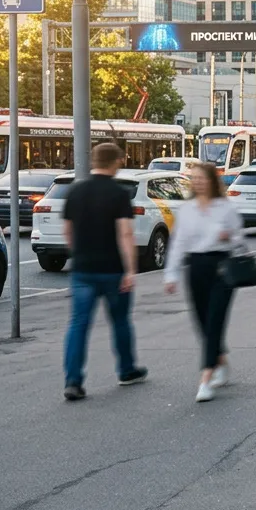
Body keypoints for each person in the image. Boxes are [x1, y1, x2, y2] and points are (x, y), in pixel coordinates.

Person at [62, 143, 147, 401]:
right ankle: (126, 370)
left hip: (82, 270)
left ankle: (73, 381)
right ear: (116, 162)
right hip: (113, 271)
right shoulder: (119, 194)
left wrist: (78, 254)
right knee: (120, 321)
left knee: (78, 324)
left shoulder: (75, 192)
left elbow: (68, 231)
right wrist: (130, 270)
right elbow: (125, 234)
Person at [163, 162, 244, 402]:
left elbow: (240, 239)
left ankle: (205, 380)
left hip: (222, 267)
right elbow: (178, 244)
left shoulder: (225, 208)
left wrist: (229, 236)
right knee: (201, 322)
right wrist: (171, 274)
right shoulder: (187, 210)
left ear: (211, 181)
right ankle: (220, 361)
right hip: (196, 268)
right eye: (194, 178)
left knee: (214, 321)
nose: (197, 182)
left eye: (202, 178)